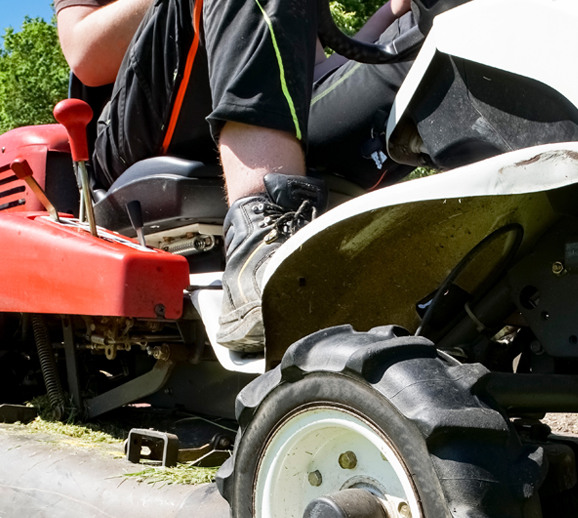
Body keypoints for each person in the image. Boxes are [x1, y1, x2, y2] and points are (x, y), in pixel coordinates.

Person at [56, 0, 414, 352]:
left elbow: (311, 76)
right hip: (134, 135)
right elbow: (86, 53)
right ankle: (261, 247)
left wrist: (390, 14)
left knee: (426, 24)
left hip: (271, 113)